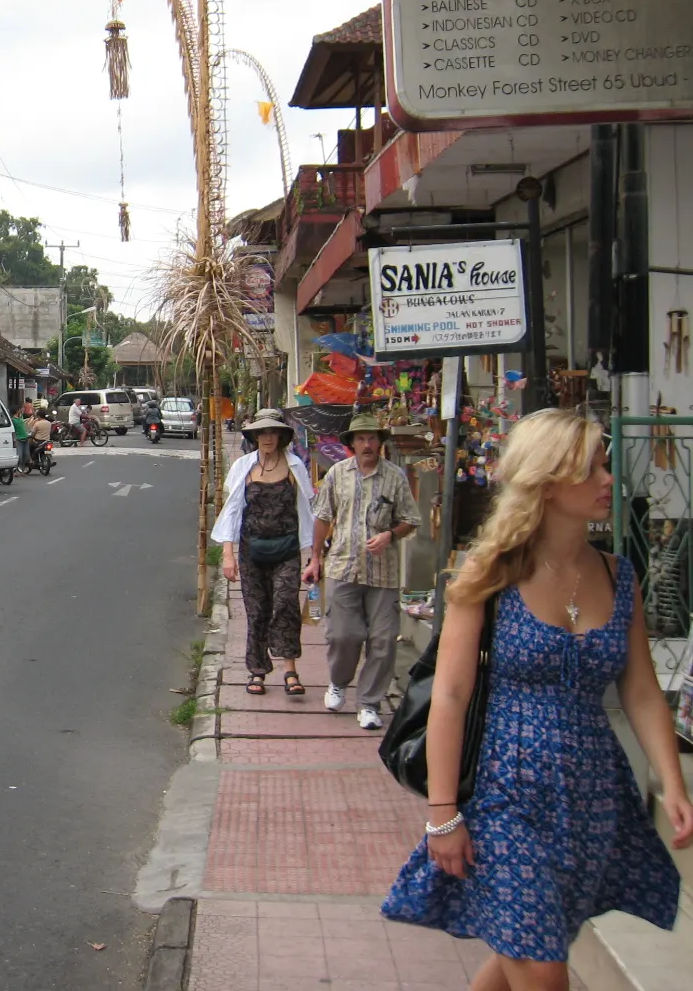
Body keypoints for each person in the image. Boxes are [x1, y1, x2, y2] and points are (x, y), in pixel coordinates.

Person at [382, 409, 691, 990]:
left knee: (530, 949)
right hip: (505, 793)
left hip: (590, 797)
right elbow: (450, 694)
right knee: (544, 971)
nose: (609, 480)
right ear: (547, 483)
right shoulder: (490, 571)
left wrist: (671, 783)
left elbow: (642, 691)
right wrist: (442, 813)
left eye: (605, 465)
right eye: (592, 468)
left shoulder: (618, 575)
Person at [304, 412, 421, 730]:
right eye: (361, 439)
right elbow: (323, 516)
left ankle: (369, 703)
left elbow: (411, 519)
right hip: (343, 567)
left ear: (380, 443)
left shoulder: (395, 477)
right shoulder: (337, 474)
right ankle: (338, 682)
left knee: (383, 641)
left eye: (372, 438)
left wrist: (390, 535)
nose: (367, 444)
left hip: (383, 573)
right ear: (352, 444)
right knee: (343, 635)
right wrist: (314, 559)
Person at [211, 408, 315, 696]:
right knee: (257, 612)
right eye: (262, 433)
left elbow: (306, 511)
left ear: (281, 436)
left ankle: (290, 670)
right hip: (251, 551)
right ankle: (257, 670)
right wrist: (228, 555)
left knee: (286, 604)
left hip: (287, 550)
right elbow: (232, 512)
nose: (268, 438)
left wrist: (313, 555)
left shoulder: (295, 466)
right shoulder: (243, 467)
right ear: (255, 436)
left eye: (273, 432)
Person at [12, 404, 32, 469]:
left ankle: (22, 470)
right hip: (19, 440)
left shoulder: (21, 418)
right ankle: (17, 469)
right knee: (19, 457)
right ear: (17, 410)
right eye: (20, 409)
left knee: (26, 456)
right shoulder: (13, 420)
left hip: (25, 439)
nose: (22, 410)